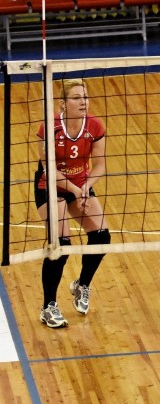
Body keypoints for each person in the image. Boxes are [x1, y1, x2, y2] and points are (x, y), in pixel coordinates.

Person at [34, 78, 112, 329]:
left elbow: (99, 165)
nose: (83, 102)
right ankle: (48, 307)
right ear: (63, 104)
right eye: (77, 97)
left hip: (80, 185)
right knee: (61, 245)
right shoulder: (49, 127)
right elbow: (49, 170)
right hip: (51, 187)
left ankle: (82, 284)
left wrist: (86, 187)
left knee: (101, 236)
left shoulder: (94, 126)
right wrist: (77, 190)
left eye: (85, 97)